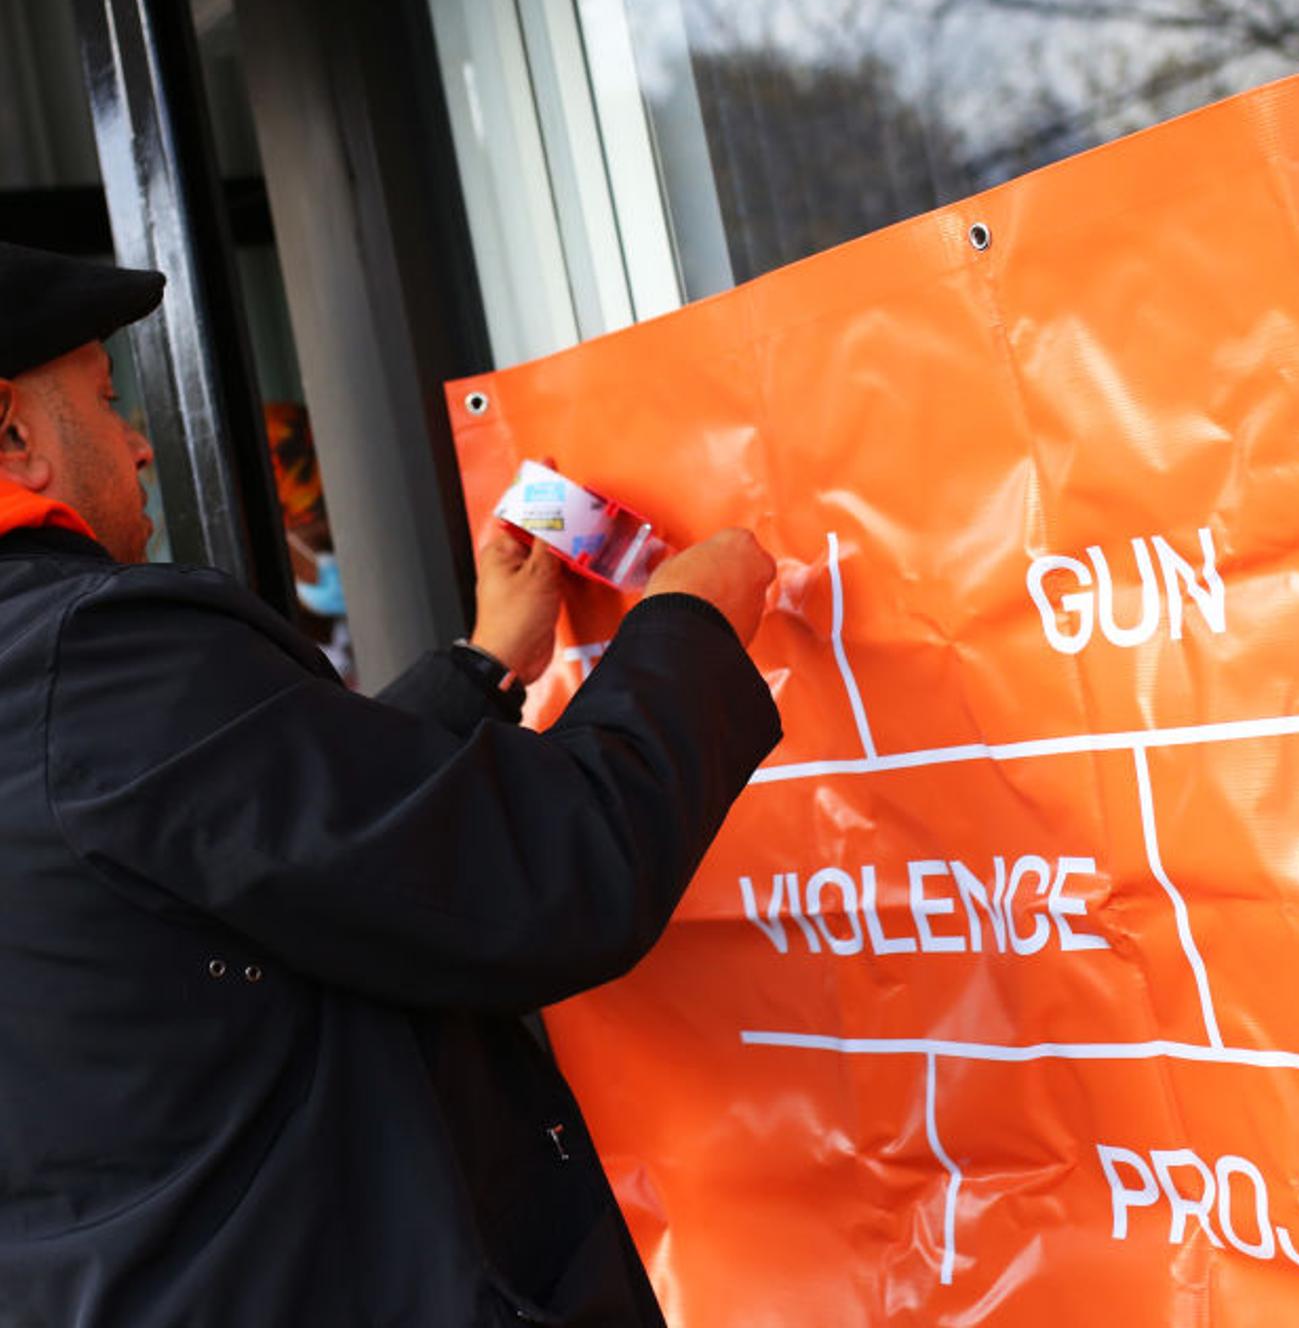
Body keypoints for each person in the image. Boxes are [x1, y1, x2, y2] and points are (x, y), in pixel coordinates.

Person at [0, 241, 781, 1327]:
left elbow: (258, 851)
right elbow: (552, 875)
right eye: (105, 397)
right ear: (14, 434)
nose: (138, 446)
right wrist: (688, 634)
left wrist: (484, 666)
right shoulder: (96, 658)